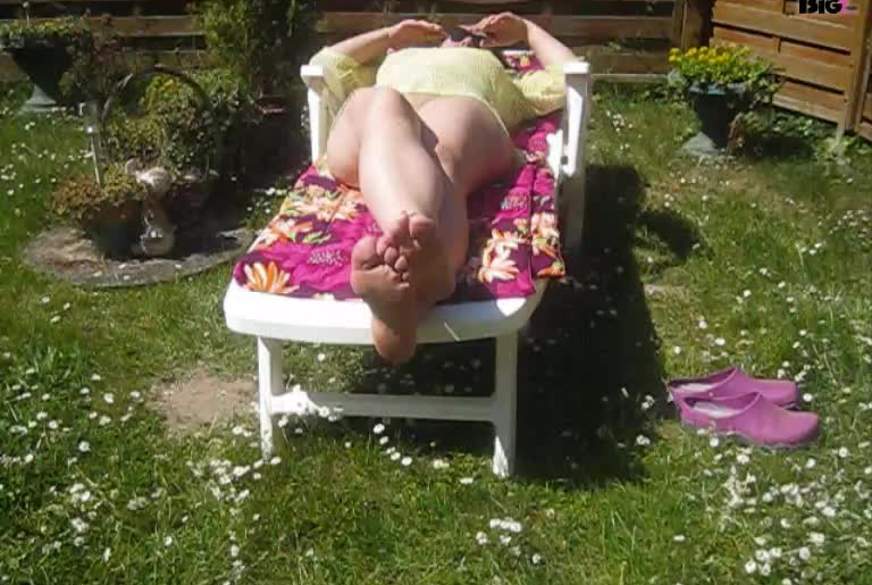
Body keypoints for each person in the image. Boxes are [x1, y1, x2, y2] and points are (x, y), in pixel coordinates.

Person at [309, 12, 577, 364]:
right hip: (374, 130)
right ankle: (424, 264)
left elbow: (571, 75)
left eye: (477, 39)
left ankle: (408, 279)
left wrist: (528, 30)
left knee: (444, 147)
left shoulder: (503, 78)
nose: (465, 37)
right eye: (455, 33)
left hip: (459, 115)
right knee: (382, 101)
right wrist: (390, 36)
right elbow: (326, 64)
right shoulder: (391, 62)